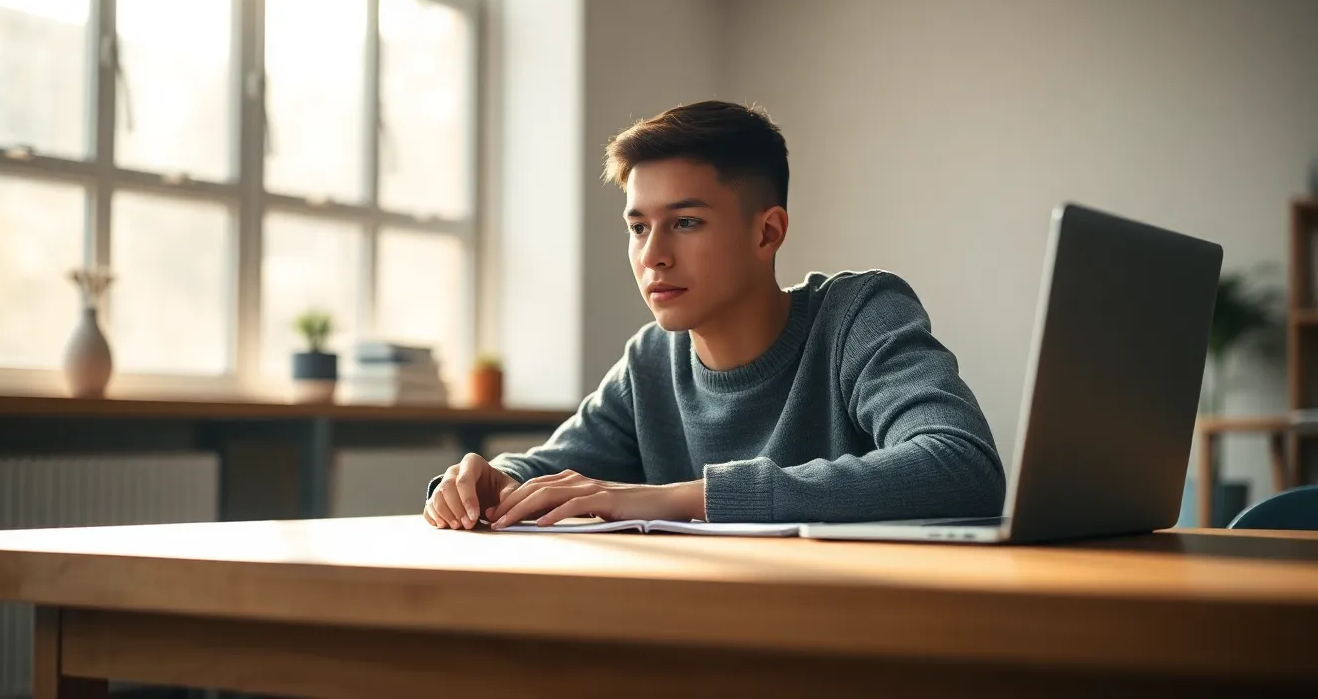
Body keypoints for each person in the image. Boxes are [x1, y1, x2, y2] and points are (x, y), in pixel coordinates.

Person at [423, 100, 1004, 530]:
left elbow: (961, 466)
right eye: (637, 227)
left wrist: (675, 497)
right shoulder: (651, 360)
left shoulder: (858, 315)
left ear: (767, 231)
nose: (653, 255)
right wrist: (492, 481)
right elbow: (551, 472)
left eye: (686, 222)